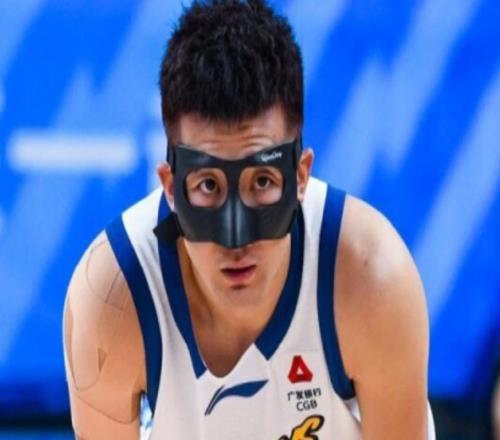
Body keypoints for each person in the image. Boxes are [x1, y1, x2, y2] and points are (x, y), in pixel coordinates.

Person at [63, 1, 435, 438]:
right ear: (170, 187)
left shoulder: (371, 276)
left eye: (261, 181)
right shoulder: (111, 298)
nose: (236, 239)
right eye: (208, 185)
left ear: (301, 176)